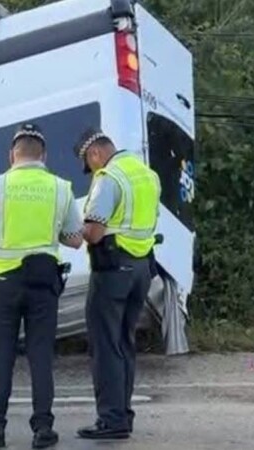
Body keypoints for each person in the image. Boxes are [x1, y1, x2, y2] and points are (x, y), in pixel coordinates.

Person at [0, 123, 84, 449]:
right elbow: (76, 240)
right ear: (43, 155)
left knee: (2, 355)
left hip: (4, 283)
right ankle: (43, 429)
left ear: (12, 154)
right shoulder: (61, 188)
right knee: (41, 355)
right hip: (44, 282)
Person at [72, 128, 160, 440]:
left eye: (89, 163)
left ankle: (110, 420)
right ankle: (123, 414)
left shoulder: (109, 177)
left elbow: (94, 232)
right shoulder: (146, 173)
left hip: (112, 270)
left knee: (105, 345)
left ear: (94, 153)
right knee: (124, 342)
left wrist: (72, 227)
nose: (91, 170)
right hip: (141, 268)